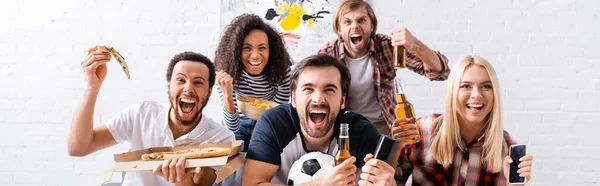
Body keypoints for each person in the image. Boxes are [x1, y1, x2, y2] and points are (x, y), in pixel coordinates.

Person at [68, 48, 235, 185]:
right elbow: (78, 148)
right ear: (169, 85)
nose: (188, 88)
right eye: (180, 80)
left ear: (210, 91)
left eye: (198, 82)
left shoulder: (220, 138)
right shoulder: (142, 114)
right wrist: (92, 89)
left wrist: (182, 180)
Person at [243, 54, 397, 186]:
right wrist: (319, 184)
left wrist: (388, 182)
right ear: (294, 99)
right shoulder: (274, 123)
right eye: (308, 89)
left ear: (342, 101)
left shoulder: (360, 131)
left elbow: (382, 181)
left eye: (329, 89)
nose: (318, 99)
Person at [392, 56, 534, 185]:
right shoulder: (422, 131)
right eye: (465, 86)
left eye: (486, 86)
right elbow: (393, 181)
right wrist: (395, 147)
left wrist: (513, 185)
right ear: (453, 92)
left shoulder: (507, 148)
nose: (476, 95)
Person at [318, 0, 450, 135]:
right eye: (347, 22)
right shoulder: (328, 54)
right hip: (345, 126)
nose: (355, 26)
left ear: (372, 26)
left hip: (385, 125)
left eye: (361, 20)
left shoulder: (386, 46)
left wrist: (415, 45)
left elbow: (441, 73)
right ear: (339, 29)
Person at [214, 13, 292, 152]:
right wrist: (227, 94)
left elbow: (277, 115)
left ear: (271, 50)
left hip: (267, 122)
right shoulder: (226, 73)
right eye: (247, 48)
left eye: (262, 48)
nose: (255, 55)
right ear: (236, 50)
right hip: (237, 123)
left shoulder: (282, 72)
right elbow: (232, 127)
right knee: (233, 167)